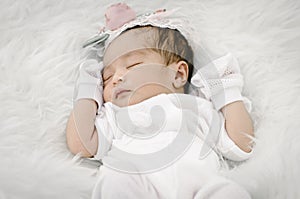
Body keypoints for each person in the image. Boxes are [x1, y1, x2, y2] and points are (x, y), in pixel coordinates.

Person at [66, 3, 255, 199]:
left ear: (178, 74)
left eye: (133, 65)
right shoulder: (115, 115)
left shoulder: (197, 108)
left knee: (229, 192)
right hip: (135, 183)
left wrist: (225, 88)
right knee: (115, 179)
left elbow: (241, 143)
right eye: (106, 77)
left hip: (199, 186)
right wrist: (89, 88)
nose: (116, 78)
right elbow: (81, 143)